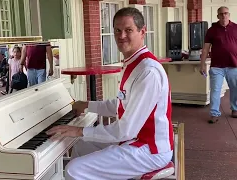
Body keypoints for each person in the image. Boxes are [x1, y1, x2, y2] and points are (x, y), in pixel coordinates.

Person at [46, 7, 173, 180]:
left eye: (128, 30)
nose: (121, 36)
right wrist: (87, 105)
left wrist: (79, 130)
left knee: (74, 170)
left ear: (142, 32)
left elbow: (125, 130)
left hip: (149, 149)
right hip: (135, 140)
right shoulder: (132, 63)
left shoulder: (147, 71)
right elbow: (120, 105)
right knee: (81, 146)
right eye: (117, 31)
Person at [200, 6, 237, 123]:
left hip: (233, 65)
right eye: (221, 14)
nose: (224, 16)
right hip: (217, 66)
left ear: (229, 15)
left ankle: (235, 109)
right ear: (218, 16)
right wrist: (202, 65)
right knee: (215, 90)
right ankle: (214, 113)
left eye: (226, 13)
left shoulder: (236, 28)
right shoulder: (212, 30)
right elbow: (205, 49)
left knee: (235, 88)